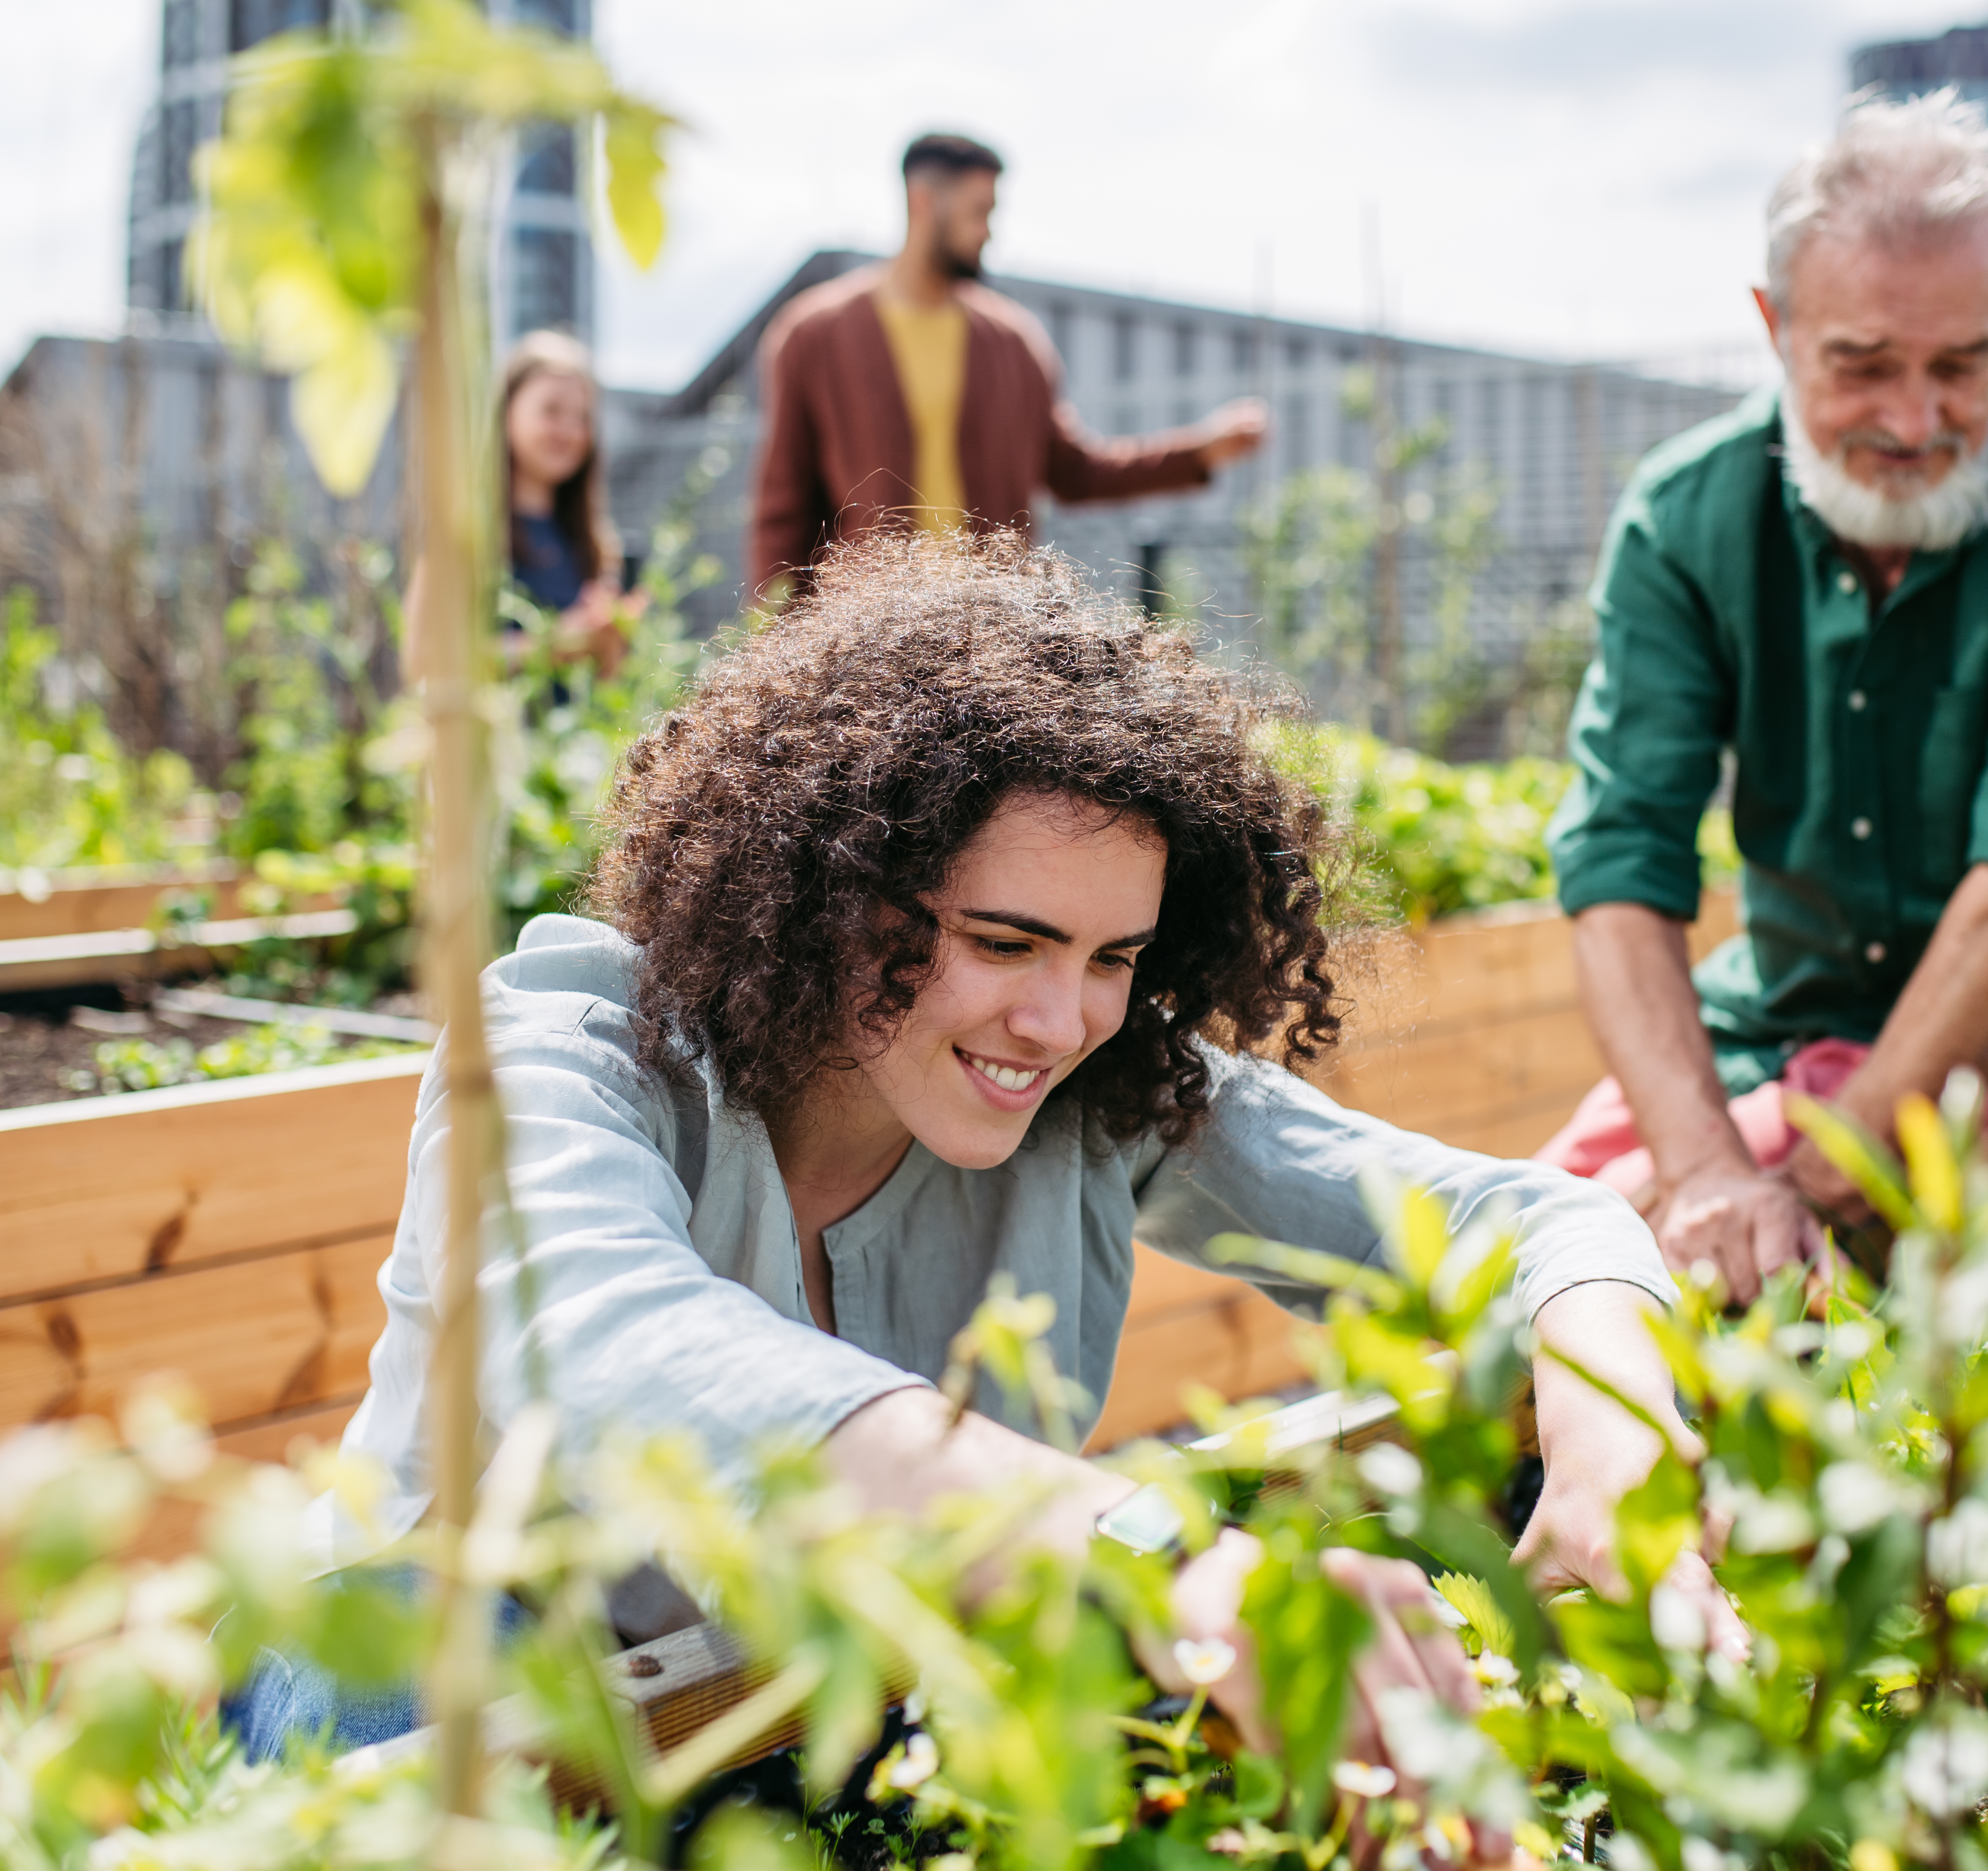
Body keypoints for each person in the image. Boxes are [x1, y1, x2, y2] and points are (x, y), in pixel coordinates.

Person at [249, 533, 1731, 1797]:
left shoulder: (1098, 1080)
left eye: (1112, 959)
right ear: (827, 883)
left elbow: (1517, 1219)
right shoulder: (568, 1053)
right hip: (417, 1717)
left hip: (788, 1720)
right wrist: (1145, 1551)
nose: (1058, 1017)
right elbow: (617, 1349)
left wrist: (1619, 1444)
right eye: (1002, 941)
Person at [1537, 89, 1988, 1305]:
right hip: (1777, 1030)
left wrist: (1806, 1177)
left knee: (1667, 1276)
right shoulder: (1685, 515)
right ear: (1774, 328)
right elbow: (1619, 865)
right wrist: (1701, 1167)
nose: (1915, 419)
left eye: (1962, 366)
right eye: (1861, 366)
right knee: (1541, 1234)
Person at [749, 133, 1268, 600]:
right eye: (980, 212)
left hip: (995, 638)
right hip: (868, 643)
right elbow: (785, 502)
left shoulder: (1013, 342)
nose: (989, 231)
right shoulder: (814, 335)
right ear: (924, 201)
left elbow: (1075, 471)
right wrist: (772, 634)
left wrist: (1199, 450)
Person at [499, 329, 645, 679]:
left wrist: (611, 633)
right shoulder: (467, 532)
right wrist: (557, 641)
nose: (569, 431)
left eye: (582, 418)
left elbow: (611, 684)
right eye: (551, 411)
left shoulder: (598, 542)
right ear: (506, 412)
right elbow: (427, 660)